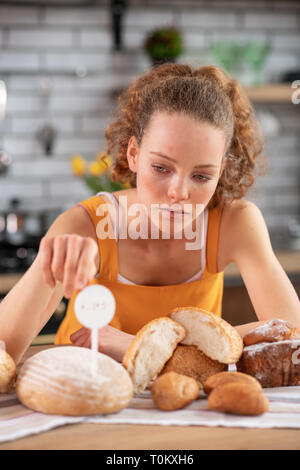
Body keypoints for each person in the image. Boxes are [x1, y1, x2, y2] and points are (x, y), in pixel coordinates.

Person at [0, 63, 299, 365]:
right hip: (83, 396)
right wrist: (46, 267)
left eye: (201, 176)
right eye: (161, 168)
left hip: (187, 405)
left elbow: (292, 334)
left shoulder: (235, 223)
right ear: (133, 154)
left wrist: (141, 344)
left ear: (220, 171)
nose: (178, 192)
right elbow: (3, 350)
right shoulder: (85, 225)